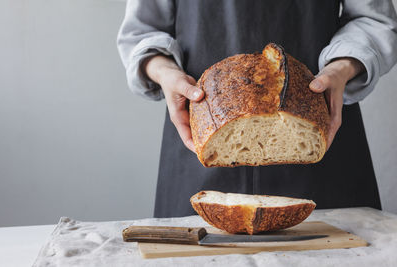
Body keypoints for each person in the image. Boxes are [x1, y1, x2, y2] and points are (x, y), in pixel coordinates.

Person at [117, 0, 397, 218]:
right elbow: (143, 32)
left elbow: (373, 19)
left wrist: (342, 67)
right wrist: (165, 72)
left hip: (321, 148)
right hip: (199, 144)